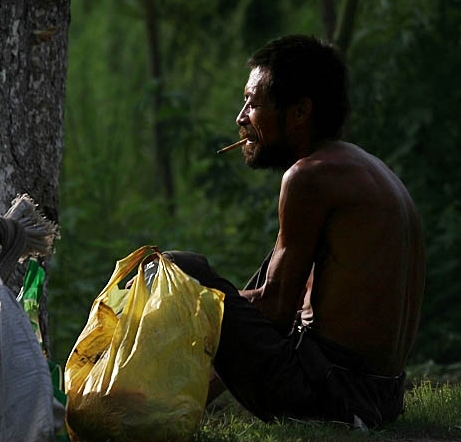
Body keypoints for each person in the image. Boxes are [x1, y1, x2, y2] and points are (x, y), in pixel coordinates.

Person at [167, 34, 426, 428]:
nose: (241, 118)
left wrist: (197, 300)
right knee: (270, 268)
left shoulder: (308, 176)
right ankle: (173, 406)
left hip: (333, 395)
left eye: (253, 103)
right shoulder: (367, 170)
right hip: (381, 398)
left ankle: (160, 395)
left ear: (300, 111)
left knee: (180, 268)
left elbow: (274, 310)